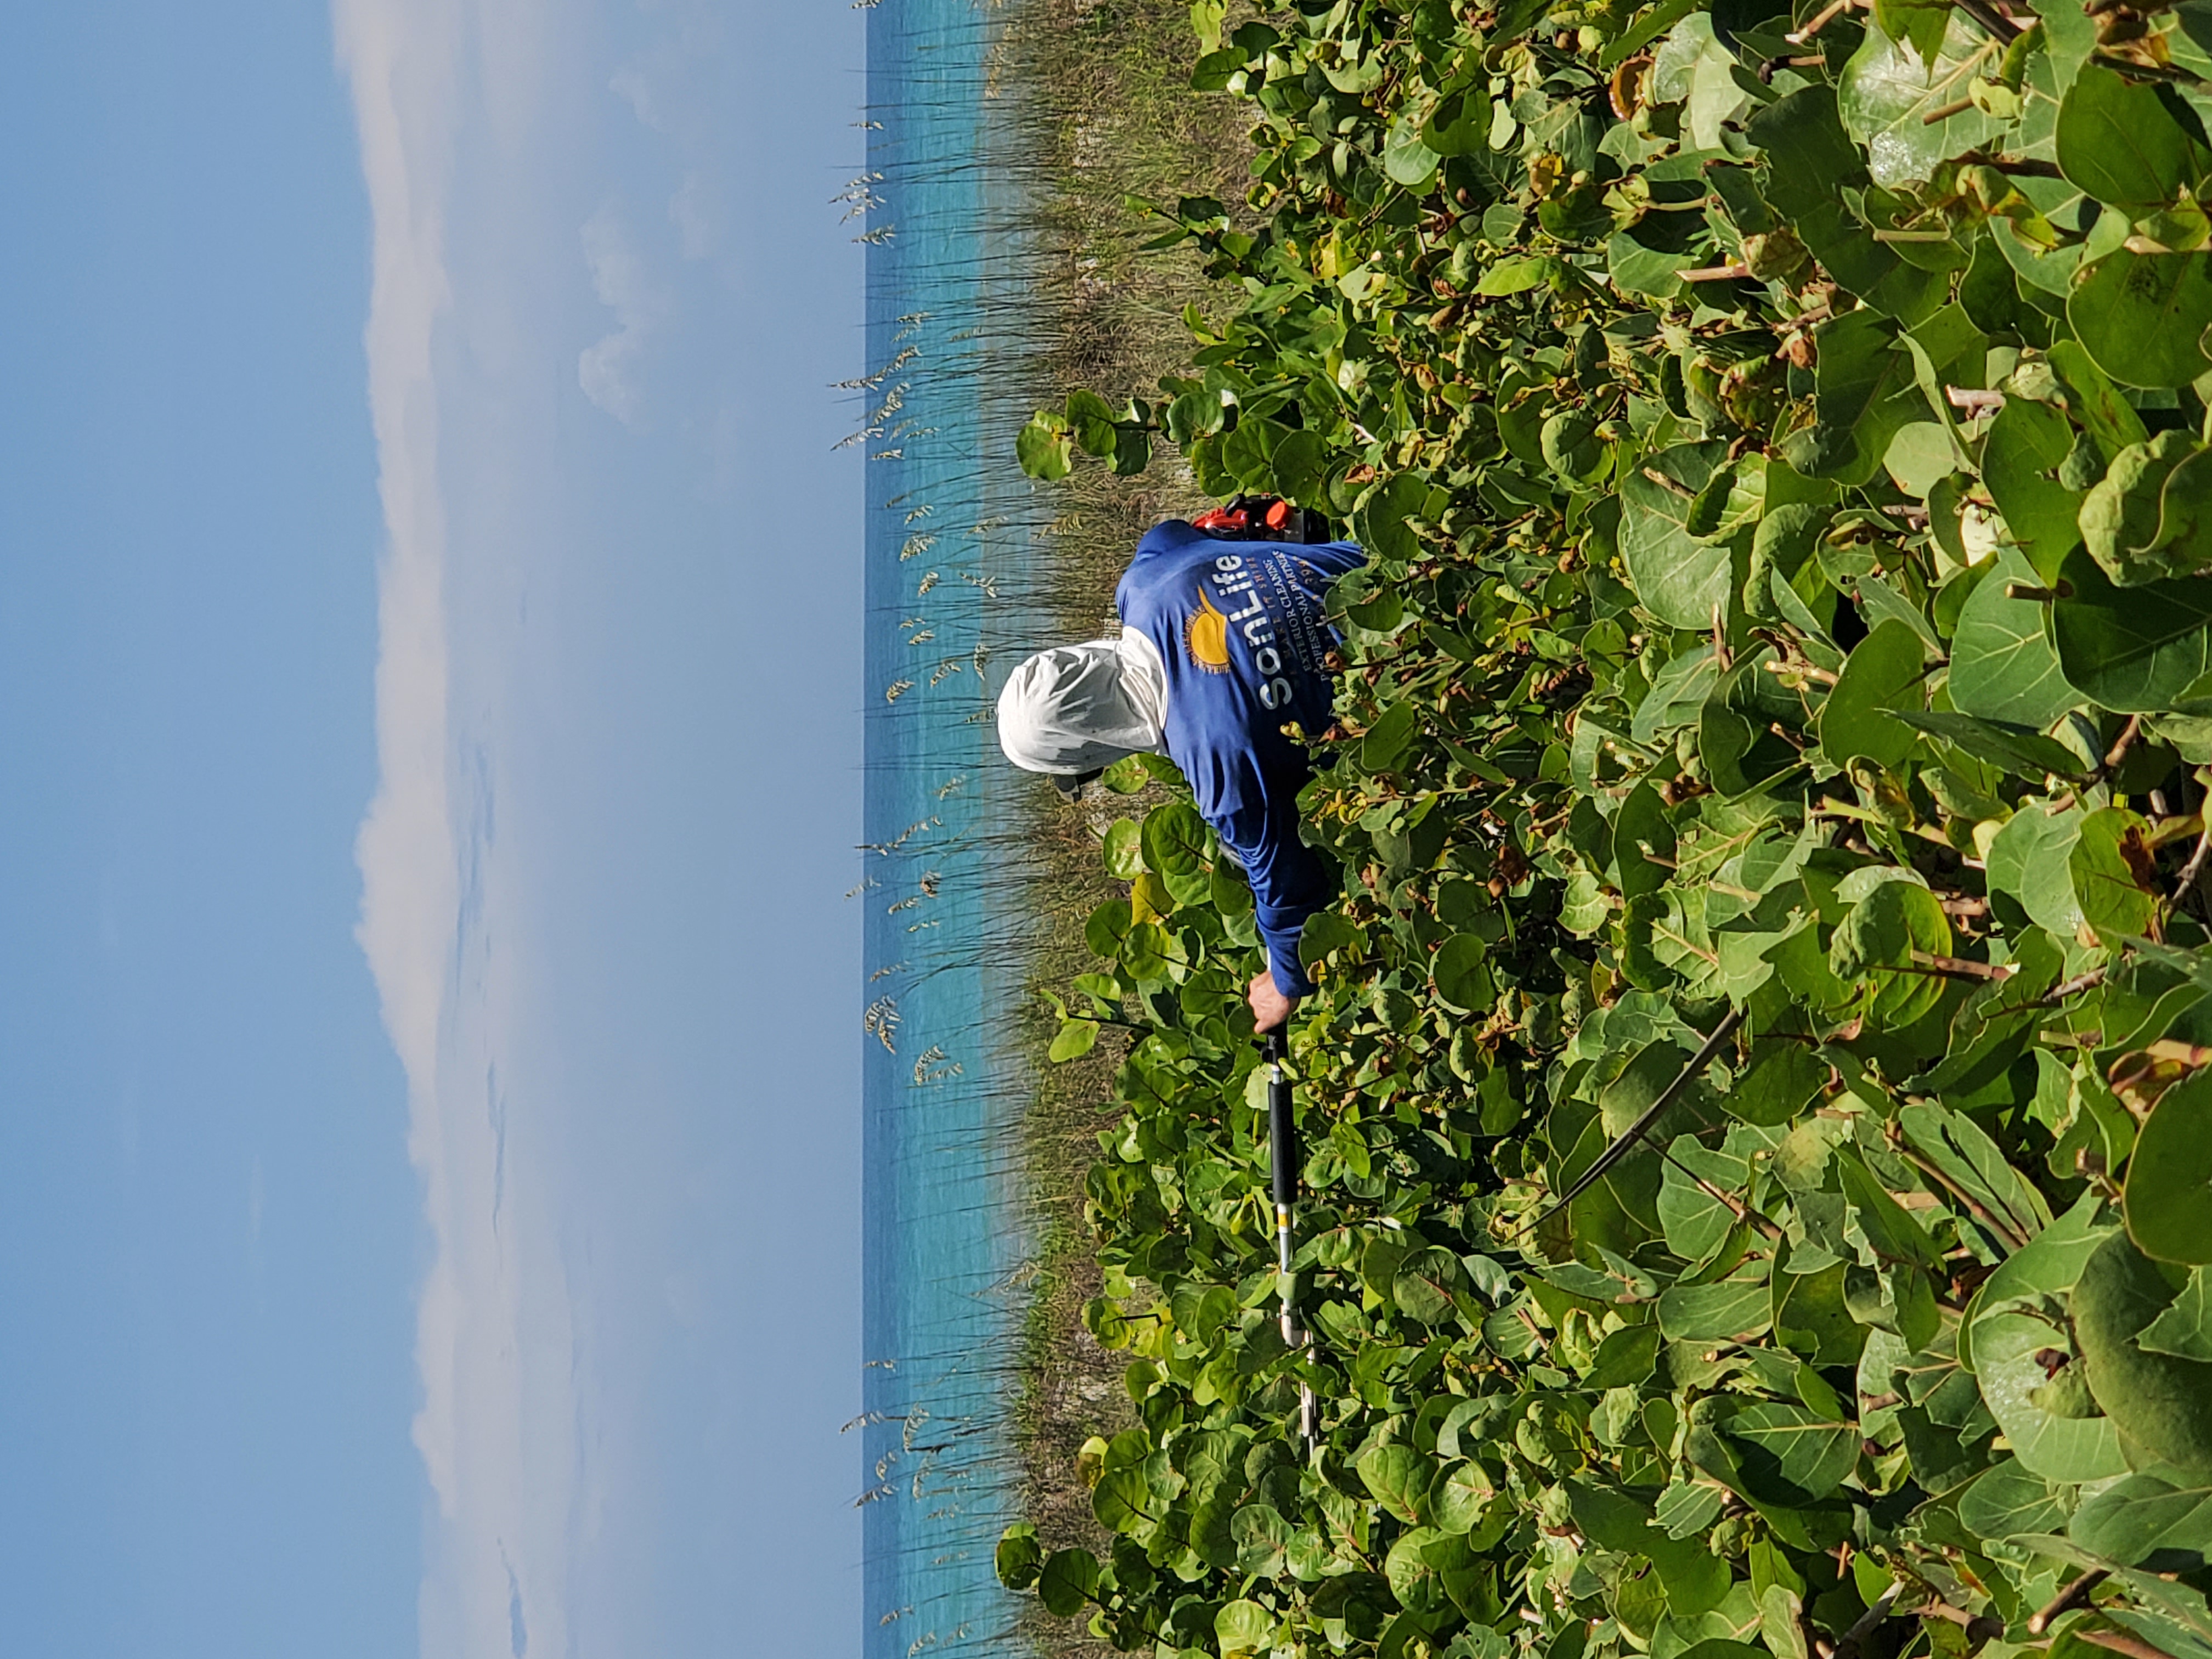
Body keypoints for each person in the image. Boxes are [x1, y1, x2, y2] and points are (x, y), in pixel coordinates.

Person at [995, 497, 1367, 1032]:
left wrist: (1283, 984)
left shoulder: (1219, 774)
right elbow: (1176, 532)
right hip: (1409, 568)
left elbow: (1291, 892)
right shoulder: (1145, 580)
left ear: (1094, 747)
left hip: (1430, 686)